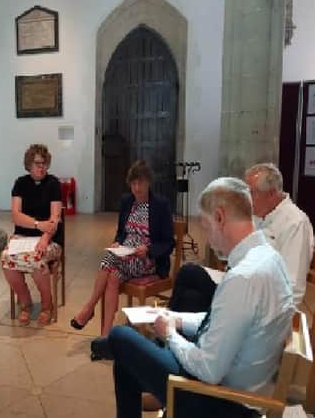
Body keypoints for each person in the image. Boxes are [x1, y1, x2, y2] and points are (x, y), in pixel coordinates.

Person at [97, 177, 295, 418]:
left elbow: (208, 369)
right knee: (128, 352)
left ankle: (109, 348)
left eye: (206, 225)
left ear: (220, 217)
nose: (207, 237)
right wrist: (177, 319)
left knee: (121, 338)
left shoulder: (243, 278)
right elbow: (223, 321)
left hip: (222, 402)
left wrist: (169, 334)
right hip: (234, 384)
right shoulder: (268, 257)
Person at [168, 163, 314, 312]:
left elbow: (293, 288)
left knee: (190, 283)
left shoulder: (295, 223)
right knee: (189, 283)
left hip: (258, 300)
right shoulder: (258, 214)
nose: (247, 198)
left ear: (271, 194)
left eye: (252, 193)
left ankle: (171, 326)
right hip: (241, 280)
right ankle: (169, 325)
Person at [71, 160, 174, 336]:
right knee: (112, 276)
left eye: (140, 182)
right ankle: (106, 335)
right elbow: (121, 232)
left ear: (148, 182)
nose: (136, 187)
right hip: (124, 255)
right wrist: (117, 243)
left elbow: (168, 243)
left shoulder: (160, 205)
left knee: (109, 263)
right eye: (133, 183)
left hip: (147, 260)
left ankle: (89, 308)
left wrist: (148, 251)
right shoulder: (127, 201)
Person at [1, 144, 62, 325]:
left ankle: (46, 305)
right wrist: (37, 224)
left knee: (37, 258)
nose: (41, 167)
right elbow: (16, 216)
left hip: (49, 239)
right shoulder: (20, 183)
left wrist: (44, 237)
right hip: (23, 238)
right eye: (37, 163)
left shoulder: (53, 184)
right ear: (29, 165)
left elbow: (55, 218)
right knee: (6, 259)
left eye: (44, 163)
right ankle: (25, 302)